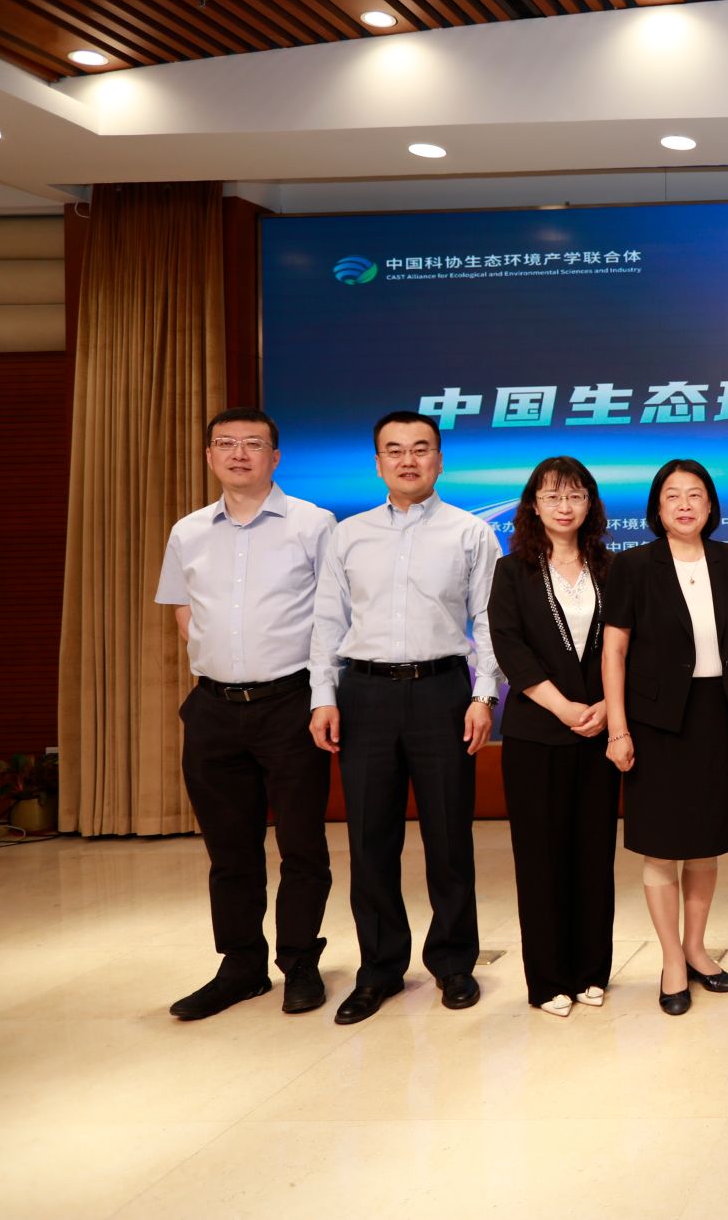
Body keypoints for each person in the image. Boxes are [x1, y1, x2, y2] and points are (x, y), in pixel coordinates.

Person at [309, 410, 501, 1025]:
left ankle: (454, 963)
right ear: (378, 463)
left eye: (421, 448)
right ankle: (379, 969)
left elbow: (490, 621)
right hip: (364, 695)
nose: (408, 459)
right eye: (395, 450)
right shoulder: (348, 535)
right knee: (370, 840)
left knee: (449, 838)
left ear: (439, 460)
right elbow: (327, 622)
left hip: (443, 691)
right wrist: (323, 695)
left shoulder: (470, 533)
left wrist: (484, 696)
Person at [156, 407, 337, 1020]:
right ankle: (240, 966)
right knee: (229, 849)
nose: (239, 454)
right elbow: (183, 611)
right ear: (209, 456)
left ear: (275, 457)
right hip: (213, 708)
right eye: (226, 444)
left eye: (253, 444)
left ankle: (300, 961)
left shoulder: (314, 524)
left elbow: (333, 616)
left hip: (290, 705)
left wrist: (322, 694)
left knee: (301, 844)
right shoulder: (188, 532)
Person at [603, 460, 728, 1016]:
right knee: (662, 845)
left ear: (710, 505)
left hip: (718, 716)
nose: (685, 505)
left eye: (695, 495)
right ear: (657, 507)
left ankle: (696, 948)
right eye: (673, 496)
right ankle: (670, 959)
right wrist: (617, 728)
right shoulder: (633, 566)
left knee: (706, 841)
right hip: (656, 722)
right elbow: (614, 651)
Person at [486, 457, 618, 1018]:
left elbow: (630, 644)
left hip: (600, 732)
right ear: (533, 506)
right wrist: (564, 707)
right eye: (553, 496)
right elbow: (509, 646)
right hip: (537, 733)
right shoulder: (512, 570)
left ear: (590, 503)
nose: (565, 506)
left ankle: (591, 971)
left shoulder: (612, 568)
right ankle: (547, 980)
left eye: (575, 495)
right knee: (541, 859)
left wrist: (609, 705)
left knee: (594, 855)